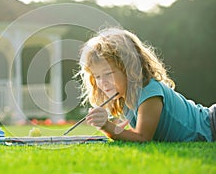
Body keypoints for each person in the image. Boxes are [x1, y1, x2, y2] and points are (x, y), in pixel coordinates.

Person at [77, 27, 216, 142]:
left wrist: (106, 126)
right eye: (97, 76)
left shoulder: (149, 92)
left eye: (108, 73)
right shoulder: (124, 97)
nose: (102, 82)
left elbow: (142, 137)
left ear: (129, 68)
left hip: (211, 125)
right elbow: (132, 134)